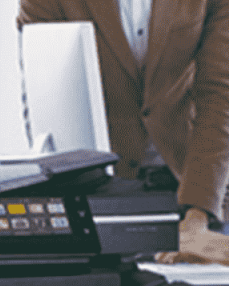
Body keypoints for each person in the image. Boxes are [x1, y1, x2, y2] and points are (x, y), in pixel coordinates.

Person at [17, 0, 229, 266]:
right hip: (100, 190)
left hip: (190, 186)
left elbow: (219, 96)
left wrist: (196, 219)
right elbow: (47, 99)